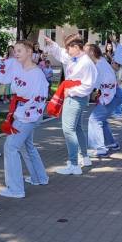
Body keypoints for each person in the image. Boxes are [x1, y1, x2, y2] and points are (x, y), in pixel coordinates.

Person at [0, 41, 49, 197]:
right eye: (15, 50)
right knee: (26, 146)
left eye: (20, 51)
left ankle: (16, 189)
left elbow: (39, 99)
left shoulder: (37, 74)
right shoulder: (15, 65)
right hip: (20, 110)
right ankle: (39, 177)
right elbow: (0, 68)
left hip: (27, 114)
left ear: (29, 52)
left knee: (11, 147)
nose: (16, 53)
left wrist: (23, 115)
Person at [42, 33, 98, 175]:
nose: (66, 50)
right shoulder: (76, 58)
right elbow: (62, 54)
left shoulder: (85, 62)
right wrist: (53, 44)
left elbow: (89, 85)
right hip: (75, 96)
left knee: (68, 129)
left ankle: (73, 164)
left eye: (68, 47)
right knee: (77, 127)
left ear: (76, 47)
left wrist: (71, 91)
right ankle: (84, 157)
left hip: (75, 97)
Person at [86, 44, 122, 157]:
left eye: (85, 51)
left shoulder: (101, 64)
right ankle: (111, 143)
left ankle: (100, 148)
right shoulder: (99, 62)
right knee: (102, 120)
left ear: (91, 52)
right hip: (113, 94)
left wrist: (104, 99)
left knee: (94, 119)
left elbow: (109, 82)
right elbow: (96, 82)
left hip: (111, 95)